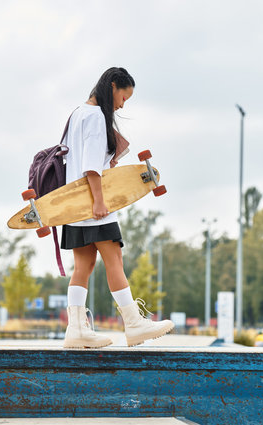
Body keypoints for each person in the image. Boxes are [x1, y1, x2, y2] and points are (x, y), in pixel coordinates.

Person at [61, 67, 174, 348]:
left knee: (83, 266)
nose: (123, 104)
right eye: (124, 97)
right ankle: (134, 324)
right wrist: (100, 200)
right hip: (96, 203)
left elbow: (72, 158)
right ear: (113, 87)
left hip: (74, 205)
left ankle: (75, 329)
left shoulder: (77, 114)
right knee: (114, 261)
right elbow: (90, 165)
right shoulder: (97, 117)